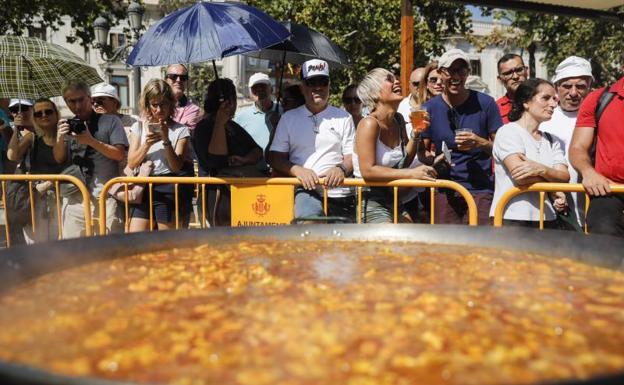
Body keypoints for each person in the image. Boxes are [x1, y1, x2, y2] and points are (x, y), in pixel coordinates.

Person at [268, 59, 356, 222]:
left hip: (341, 193)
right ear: (302, 87)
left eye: (323, 81)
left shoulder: (344, 117)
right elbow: (274, 157)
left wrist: (341, 169)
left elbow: (352, 156)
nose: (318, 87)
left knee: (343, 244)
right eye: (311, 82)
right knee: (309, 229)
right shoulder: (288, 118)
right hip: (306, 191)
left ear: (329, 85)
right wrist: (298, 171)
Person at [422, 48, 502, 225]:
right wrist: (435, 160)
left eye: (461, 70)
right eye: (451, 70)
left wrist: (479, 142)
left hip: (480, 190)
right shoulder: (429, 108)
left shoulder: (485, 103)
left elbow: (501, 149)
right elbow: (423, 155)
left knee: (479, 247)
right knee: (447, 249)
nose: (456, 76)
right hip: (445, 189)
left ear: (468, 73)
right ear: (441, 73)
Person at [354, 68, 438, 223]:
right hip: (372, 202)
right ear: (374, 93)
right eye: (389, 79)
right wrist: (411, 174)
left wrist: (417, 133)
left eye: (396, 78)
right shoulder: (369, 123)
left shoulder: (398, 119)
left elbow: (404, 160)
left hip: (394, 198)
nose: (397, 81)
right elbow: (368, 170)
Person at [490, 79, 570, 227]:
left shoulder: (552, 140)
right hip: (512, 217)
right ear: (526, 102)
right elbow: (521, 176)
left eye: (554, 99)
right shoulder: (508, 132)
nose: (553, 104)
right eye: (546, 98)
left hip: (547, 218)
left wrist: (541, 169)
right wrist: (552, 182)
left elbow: (565, 178)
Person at [54, 80, 128, 238]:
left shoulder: (110, 121)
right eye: (71, 101)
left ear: (90, 98)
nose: (77, 105)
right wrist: (60, 137)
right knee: (73, 253)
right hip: (75, 198)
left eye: (80, 99)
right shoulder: (67, 125)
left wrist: (91, 141)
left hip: (105, 197)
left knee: (108, 252)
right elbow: (59, 158)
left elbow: (119, 154)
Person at [193, 78, 263, 226]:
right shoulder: (203, 128)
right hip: (216, 198)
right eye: (231, 100)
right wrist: (219, 123)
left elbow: (257, 151)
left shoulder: (233, 126)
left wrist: (245, 160)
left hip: (241, 196)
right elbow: (215, 160)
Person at [126, 79, 193, 232]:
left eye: (163, 104)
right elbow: (131, 163)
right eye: (154, 104)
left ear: (171, 104)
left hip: (168, 188)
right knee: (136, 240)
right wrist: (147, 144)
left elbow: (176, 166)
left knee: (167, 242)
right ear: (148, 105)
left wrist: (166, 139)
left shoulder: (180, 130)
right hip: (143, 187)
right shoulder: (139, 127)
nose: (159, 109)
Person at [569, 68, 624, 237]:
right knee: (603, 236)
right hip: (609, 191)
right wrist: (588, 172)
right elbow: (577, 147)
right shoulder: (600, 98)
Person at [540, 56, 593, 229]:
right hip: (553, 205)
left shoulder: (601, 116)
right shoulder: (543, 119)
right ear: (556, 87)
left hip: (592, 203)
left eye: (580, 86)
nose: (573, 93)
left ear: (590, 87)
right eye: (567, 86)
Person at [7, 99, 69, 243]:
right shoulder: (32, 136)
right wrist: (16, 128)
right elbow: (12, 155)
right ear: (34, 118)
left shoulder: (67, 134)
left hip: (63, 198)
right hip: (37, 198)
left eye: (48, 111)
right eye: (38, 113)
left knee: (61, 249)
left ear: (56, 114)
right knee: (36, 248)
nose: (44, 115)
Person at [233, 72, 281, 174]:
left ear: (271, 89)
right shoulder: (241, 117)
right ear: (250, 93)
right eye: (255, 88)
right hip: (252, 173)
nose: (259, 90)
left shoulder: (284, 112)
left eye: (263, 86)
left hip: (280, 172)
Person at [165, 64, 201, 131]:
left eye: (183, 77)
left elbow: (183, 135)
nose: (178, 80)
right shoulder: (154, 105)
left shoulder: (193, 110)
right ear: (165, 80)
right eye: (173, 76)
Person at [496, 54, 528, 124]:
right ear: (500, 79)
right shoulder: (495, 109)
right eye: (508, 73)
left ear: (526, 71)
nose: (515, 76)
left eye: (519, 70)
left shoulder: (543, 101)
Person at [398, 67, 425, 133]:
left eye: (424, 83)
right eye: (416, 84)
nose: (420, 87)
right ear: (410, 84)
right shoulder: (399, 106)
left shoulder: (435, 105)